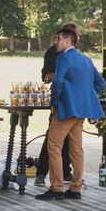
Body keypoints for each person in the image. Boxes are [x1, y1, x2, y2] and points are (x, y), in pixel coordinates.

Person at [35, 27, 106, 200]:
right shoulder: (86, 59)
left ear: (68, 41)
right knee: (76, 149)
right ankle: (75, 188)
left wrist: (54, 102)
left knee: (53, 146)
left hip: (66, 110)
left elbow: (58, 82)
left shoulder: (64, 57)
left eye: (58, 38)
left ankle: (57, 188)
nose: (56, 41)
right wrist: (87, 96)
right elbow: (100, 82)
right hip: (82, 111)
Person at [34, 24, 79, 187]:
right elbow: (46, 75)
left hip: (73, 101)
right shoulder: (53, 53)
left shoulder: (77, 55)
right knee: (52, 139)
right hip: (61, 100)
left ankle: (67, 176)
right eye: (77, 35)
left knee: (72, 143)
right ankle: (42, 173)